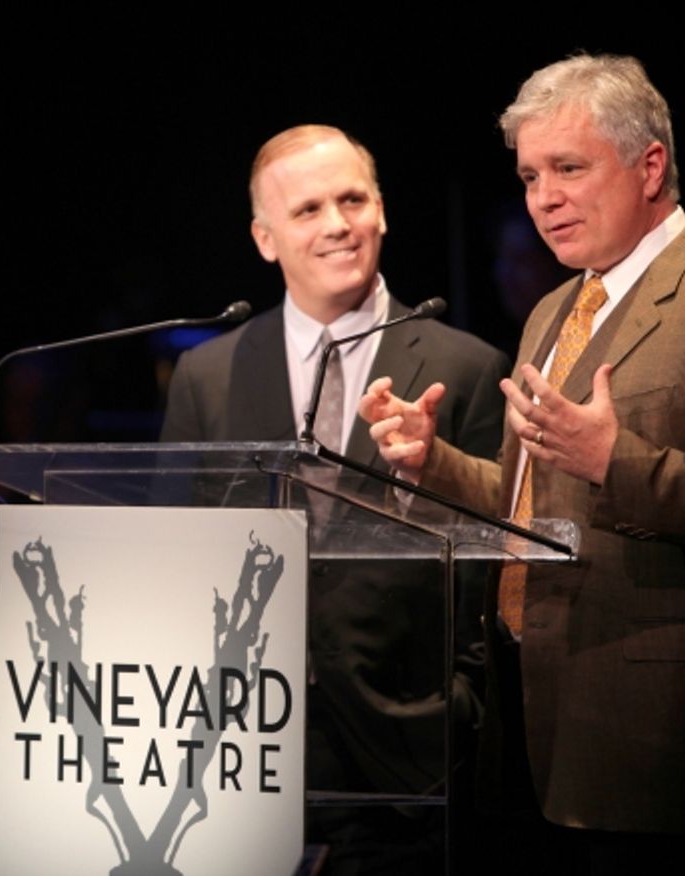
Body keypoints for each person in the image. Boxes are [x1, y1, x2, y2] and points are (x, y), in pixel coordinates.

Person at [360, 54, 685, 870]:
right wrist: (434, 465)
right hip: (531, 722)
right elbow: (530, 502)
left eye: (568, 168)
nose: (544, 198)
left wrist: (619, 460)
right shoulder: (552, 310)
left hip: (656, 739)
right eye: (531, 176)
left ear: (650, 166)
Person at [161, 124, 510, 869]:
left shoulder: (468, 367)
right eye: (309, 209)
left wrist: (462, 704)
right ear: (265, 238)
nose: (338, 225)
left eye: (352, 199)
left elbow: (493, 566)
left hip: (409, 750)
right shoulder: (208, 375)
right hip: (238, 747)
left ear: (381, 209)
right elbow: (171, 560)